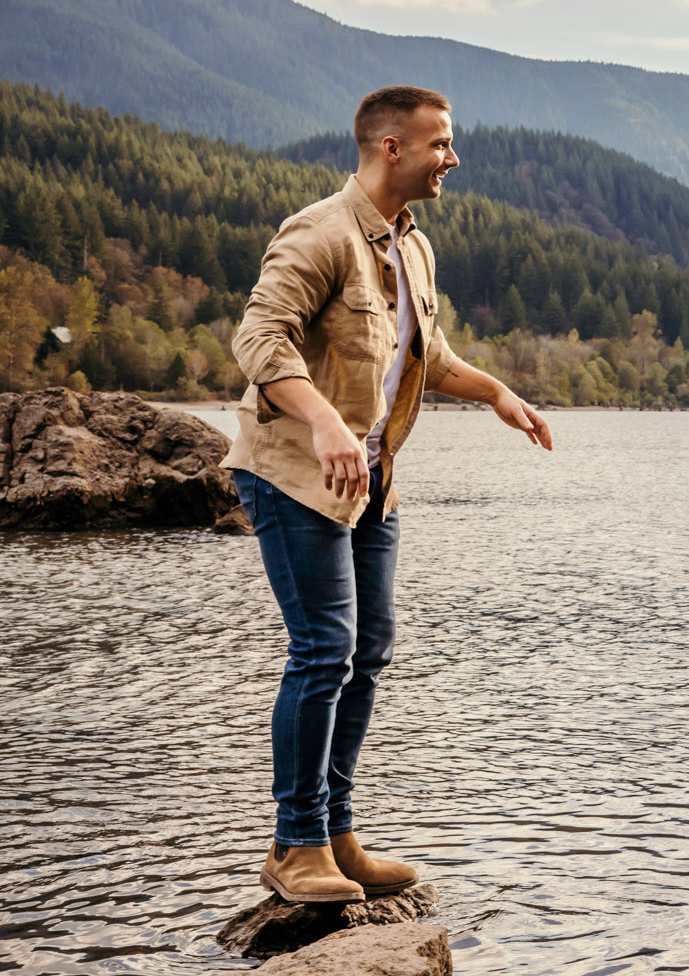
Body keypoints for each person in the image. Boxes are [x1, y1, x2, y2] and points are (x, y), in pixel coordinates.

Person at [223, 86, 554, 903]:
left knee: (368, 653)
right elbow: (257, 337)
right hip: (294, 473)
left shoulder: (413, 246)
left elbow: (428, 355)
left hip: (373, 486)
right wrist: (328, 424)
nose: (454, 157)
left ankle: (336, 834)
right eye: (441, 143)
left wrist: (496, 394)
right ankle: (292, 845)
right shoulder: (320, 232)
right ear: (391, 147)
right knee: (323, 651)